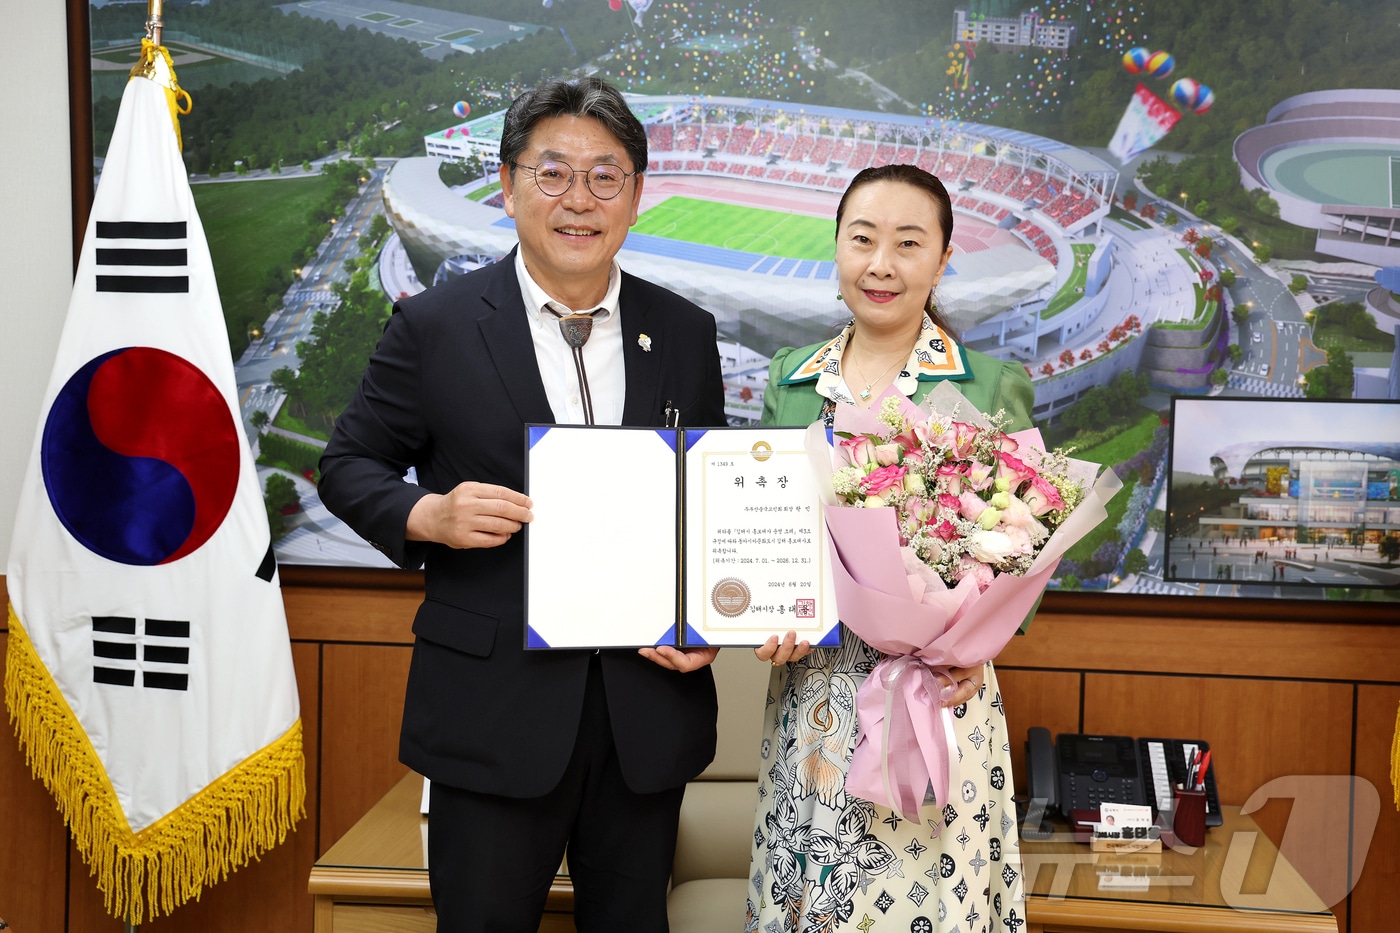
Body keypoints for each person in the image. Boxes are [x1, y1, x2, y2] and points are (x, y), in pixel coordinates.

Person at [318, 77, 725, 933]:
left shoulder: (685, 332)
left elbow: (706, 506)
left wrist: (704, 620)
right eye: (552, 173)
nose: (579, 200)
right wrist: (426, 516)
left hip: (642, 720)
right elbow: (348, 464)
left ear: (637, 195)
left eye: (606, 176)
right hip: (491, 715)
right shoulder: (434, 326)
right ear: (507, 189)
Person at [748, 164, 1035, 933]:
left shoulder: (992, 385)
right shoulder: (790, 380)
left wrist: (977, 641)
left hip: (941, 691)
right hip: (815, 692)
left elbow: (1024, 543)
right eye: (863, 239)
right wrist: (764, 612)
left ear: (942, 261)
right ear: (837, 248)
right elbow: (765, 527)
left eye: (909, 243)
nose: (882, 263)